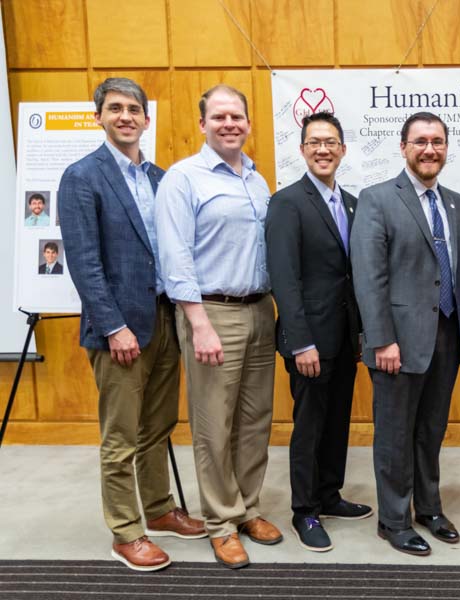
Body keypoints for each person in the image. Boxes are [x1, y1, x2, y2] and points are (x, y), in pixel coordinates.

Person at [58, 77, 206, 572]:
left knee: (158, 427)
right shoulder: (83, 176)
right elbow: (83, 262)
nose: (125, 116)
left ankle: (160, 509)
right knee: (120, 437)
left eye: (134, 109)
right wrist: (113, 326)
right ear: (98, 116)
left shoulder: (163, 178)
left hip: (164, 320)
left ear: (147, 118)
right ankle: (126, 531)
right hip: (120, 329)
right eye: (115, 108)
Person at [155, 84, 281, 569]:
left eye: (238, 117)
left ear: (249, 125)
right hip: (211, 313)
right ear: (202, 124)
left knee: (254, 420)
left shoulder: (257, 180)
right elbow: (175, 255)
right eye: (220, 117)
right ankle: (221, 523)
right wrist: (198, 323)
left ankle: (248, 508)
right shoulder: (184, 179)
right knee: (213, 425)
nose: (230, 124)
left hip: (257, 309)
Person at [351, 111, 460, 557]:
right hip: (397, 341)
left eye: (438, 141)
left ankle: (429, 507)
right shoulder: (378, 198)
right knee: (394, 433)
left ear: (446, 148)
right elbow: (369, 277)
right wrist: (381, 339)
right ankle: (393, 519)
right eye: (421, 141)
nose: (430, 149)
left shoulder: (457, 202)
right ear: (403, 147)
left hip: (446, 336)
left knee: (431, 430)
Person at [266, 112, 371, 553]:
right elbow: (284, 279)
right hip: (310, 339)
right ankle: (304, 510)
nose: (323, 149)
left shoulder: (352, 203)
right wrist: (301, 340)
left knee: (336, 421)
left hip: (345, 338)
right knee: (309, 426)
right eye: (314, 142)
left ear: (343, 149)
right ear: (303, 149)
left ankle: (329, 494)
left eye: (331, 142)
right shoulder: (288, 203)